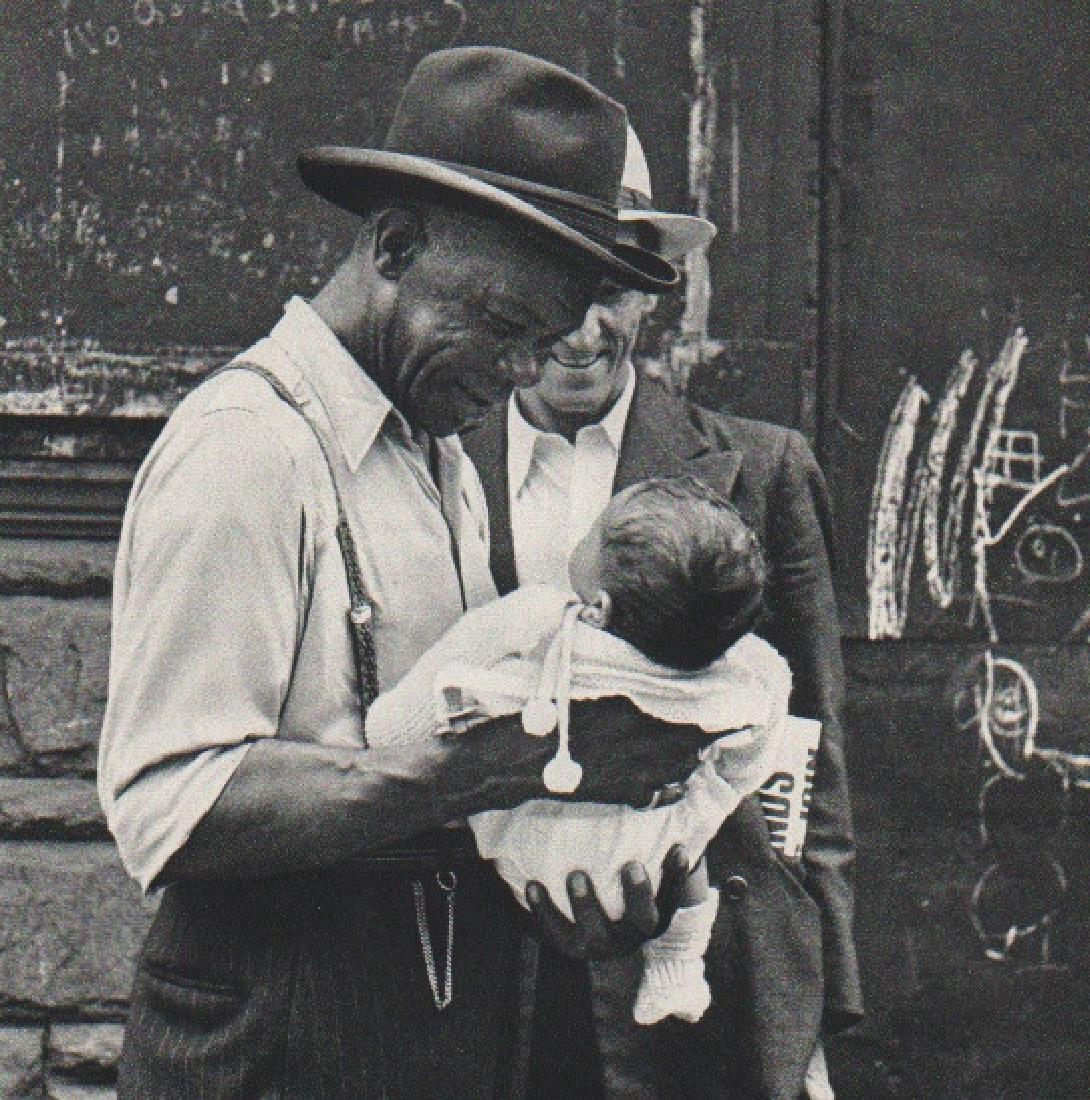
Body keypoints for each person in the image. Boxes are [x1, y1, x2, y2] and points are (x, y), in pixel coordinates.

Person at [97, 48, 720, 1098]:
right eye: (507, 326)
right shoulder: (248, 446)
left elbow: (434, 770)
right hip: (271, 1034)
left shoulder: (435, 455)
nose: (526, 370)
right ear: (393, 244)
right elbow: (169, 799)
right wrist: (498, 768)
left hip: (428, 1026)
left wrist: (583, 870)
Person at [461, 124, 864, 1098]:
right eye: (549, 288)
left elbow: (809, 758)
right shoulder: (433, 463)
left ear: (649, 292)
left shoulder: (756, 471)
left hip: (694, 979)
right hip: (477, 972)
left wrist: (804, 1007)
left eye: (606, 291)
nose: (577, 329)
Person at [366, 474, 792, 1027]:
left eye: (595, 533)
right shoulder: (734, 670)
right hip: (647, 865)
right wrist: (710, 796)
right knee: (691, 826)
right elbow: (762, 732)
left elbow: (392, 734)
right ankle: (678, 965)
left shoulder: (539, 617)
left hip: (524, 865)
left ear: (599, 607)